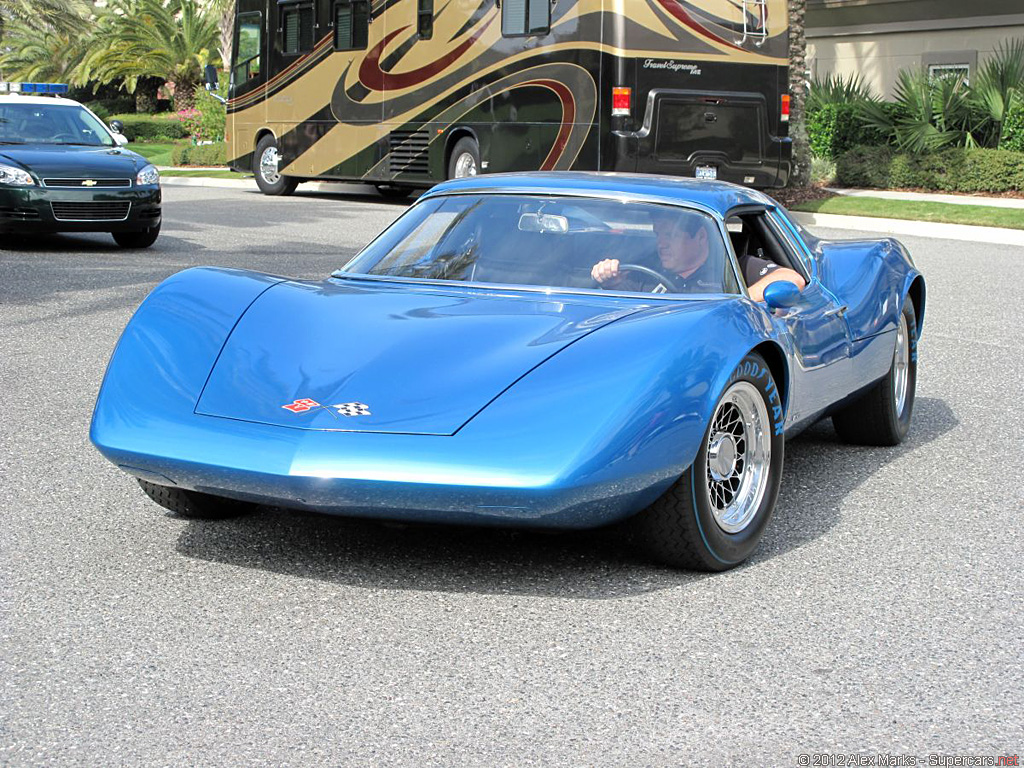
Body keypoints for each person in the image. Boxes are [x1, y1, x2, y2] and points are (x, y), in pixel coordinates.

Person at [591, 209, 806, 301]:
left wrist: (738, 303)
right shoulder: (645, 273)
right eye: (658, 235)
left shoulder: (731, 268)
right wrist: (609, 280)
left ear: (701, 237)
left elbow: (792, 279)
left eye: (670, 235)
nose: (661, 244)